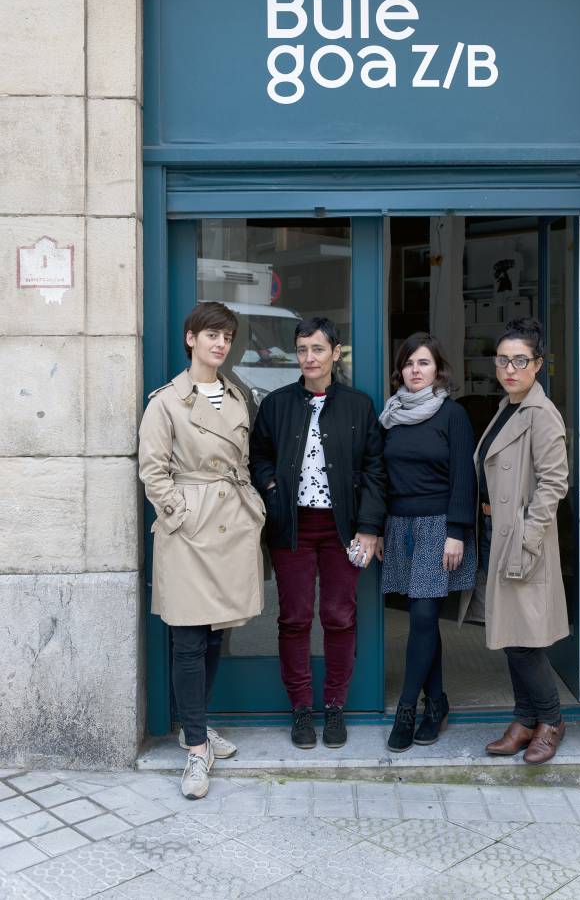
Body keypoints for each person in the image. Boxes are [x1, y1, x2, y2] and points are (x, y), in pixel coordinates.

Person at [139, 301, 265, 799]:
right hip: (190, 529)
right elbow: (152, 470)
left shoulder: (237, 395)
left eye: (227, 337)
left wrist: (251, 505)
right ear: (191, 338)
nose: (220, 344)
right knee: (188, 638)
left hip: (231, 521)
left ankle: (198, 724)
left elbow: (246, 459)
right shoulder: (166, 401)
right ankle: (195, 749)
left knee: (214, 636)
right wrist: (180, 514)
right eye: (211, 334)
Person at [249, 316, 385, 749]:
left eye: (318, 349)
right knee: (293, 619)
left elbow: (375, 470)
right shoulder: (277, 404)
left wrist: (369, 527)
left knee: (339, 617)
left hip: (343, 528)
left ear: (335, 353)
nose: (309, 358)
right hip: (292, 528)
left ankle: (334, 707)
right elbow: (259, 456)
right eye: (303, 350)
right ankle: (301, 709)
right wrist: (271, 487)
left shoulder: (358, 406)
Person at [460, 317, 569, 765]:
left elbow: (554, 483)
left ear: (537, 364)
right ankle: (525, 720)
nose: (510, 368)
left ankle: (551, 720)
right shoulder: (509, 406)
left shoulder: (541, 414)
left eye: (520, 360)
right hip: (495, 532)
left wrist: (527, 536)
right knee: (509, 632)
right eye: (503, 360)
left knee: (525, 641)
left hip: (524, 538)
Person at [379, 332, 477, 752]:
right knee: (423, 619)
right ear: (399, 370)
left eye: (423, 363)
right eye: (408, 363)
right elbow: (380, 476)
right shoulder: (390, 415)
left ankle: (407, 708)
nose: (415, 371)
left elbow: (464, 476)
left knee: (421, 617)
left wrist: (456, 532)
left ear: (438, 370)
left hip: (439, 526)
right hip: (399, 526)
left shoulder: (452, 414)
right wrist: (377, 525)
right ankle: (436, 703)